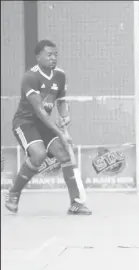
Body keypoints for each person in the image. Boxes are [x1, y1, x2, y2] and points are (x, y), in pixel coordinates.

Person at [4, 39, 91, 215]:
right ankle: (14, 193)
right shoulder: (30, 77)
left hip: (44, 125)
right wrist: (61, 134)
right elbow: (41, 112)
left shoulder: (60, 76)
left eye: (56, 54)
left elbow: (61, 101)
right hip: (25, 122)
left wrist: (65, 116)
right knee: (39, 154)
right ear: (38, 57)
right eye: (49, 54)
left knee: (64, 155)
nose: (53, 58)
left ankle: (76, 203)